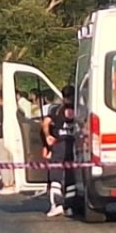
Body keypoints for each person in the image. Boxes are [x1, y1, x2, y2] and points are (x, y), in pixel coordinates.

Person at [42, 86, 77, 217]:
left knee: (55, 175)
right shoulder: (80, 109)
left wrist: (47, 136)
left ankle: (57, 205)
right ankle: (70, 206)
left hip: (59, 145)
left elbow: (45, 123)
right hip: (74, 145)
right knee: (71, 176)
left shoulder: (56, 110)